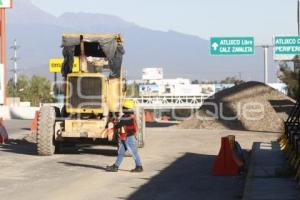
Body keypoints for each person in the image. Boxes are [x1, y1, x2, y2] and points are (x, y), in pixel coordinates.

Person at [106, 100, 143, 173]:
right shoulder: (130, 116)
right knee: (121, 153)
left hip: (128, 138)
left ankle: (139, 167)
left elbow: (118, 125)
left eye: (123, 107)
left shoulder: (126, 117)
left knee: (133, 152)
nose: (122, 108)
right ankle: (115, 166)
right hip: (125, 137)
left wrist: (113, 121)